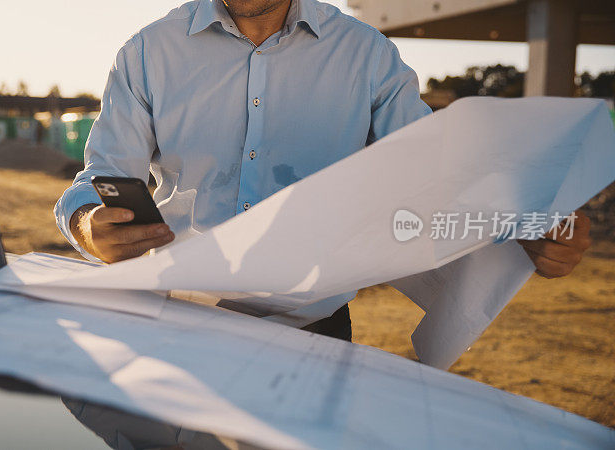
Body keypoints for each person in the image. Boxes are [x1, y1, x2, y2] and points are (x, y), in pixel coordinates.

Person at [54, 0, 591, 342]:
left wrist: (532, 223)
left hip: (315, 332)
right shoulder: (148, 53)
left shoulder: (369, 57)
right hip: (174, 325)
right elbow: (96, 181)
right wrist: (88, 226)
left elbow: (441, 176)